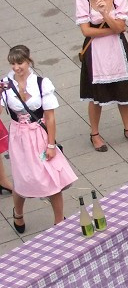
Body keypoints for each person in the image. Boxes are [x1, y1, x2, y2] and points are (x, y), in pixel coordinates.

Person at [2, 45, 78, 229]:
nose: (16, 67)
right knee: (22, 178)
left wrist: (51, 145)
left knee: (52, 178)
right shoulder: (5, 83)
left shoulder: (41, 83)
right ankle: (18, 213)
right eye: (13, 63)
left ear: (29, 61)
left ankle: (59, 220)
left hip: (40, 135)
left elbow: (50, 117)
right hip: (19, 136)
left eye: (20, 62)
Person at [75, 0, 128, 151]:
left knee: (124, 90)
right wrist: (113, 30)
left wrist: (106, 14)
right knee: (95, 95)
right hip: (95, 52)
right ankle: (95, 134)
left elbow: (121, 25)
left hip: (116, 49)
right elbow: (86, 31)